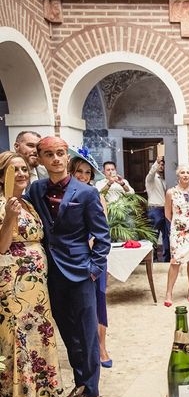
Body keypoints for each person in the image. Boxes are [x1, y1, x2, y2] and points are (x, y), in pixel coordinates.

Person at [24, 136, 111, 397]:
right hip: (50, 273)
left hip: (80, 271)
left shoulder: (85, 193)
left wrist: (93, 269)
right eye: (49, 154)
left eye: (61, 153)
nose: (57, 159)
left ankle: (92, 395)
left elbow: (102, 237)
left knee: (87, 335)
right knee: (68, 334)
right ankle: (81, 383)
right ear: (41, 158)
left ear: (66, 156)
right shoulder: (35, 190)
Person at [0, 151, 65, 397]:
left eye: (25, 169)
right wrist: (8, 219)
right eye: (15, 170)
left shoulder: (27, 203)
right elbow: (1, 246)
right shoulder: (4, 205)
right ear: (2, 176)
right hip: (12, 285)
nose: (22, 174)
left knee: (39, 338)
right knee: (16, 343)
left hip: (36, 290)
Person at [68, 153, 112, 369]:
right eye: (79, 171)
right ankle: (86, 348)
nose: (84, 176)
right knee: (79, 305)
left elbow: (102, 228)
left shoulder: (95, 194)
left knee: (99, 299)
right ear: (71, 171)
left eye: (88, 172)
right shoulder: (61, 194)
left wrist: (94, 247)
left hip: (93, 254)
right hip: (70, 257)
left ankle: (102, 346)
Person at [164, 165, 189, 307]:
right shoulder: (171, 192)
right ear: (178, 175)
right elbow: (167, 213)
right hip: (178, 231)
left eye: (188, 172)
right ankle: (168, 293)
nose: (185, 175)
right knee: (175, 261)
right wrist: (178, 224)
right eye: (183, 172)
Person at [145, 150, 170, 262]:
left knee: (167, 236)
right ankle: (152, 260)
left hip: (166, 209)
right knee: (153, 237)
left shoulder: (165, 180)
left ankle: (166, 259)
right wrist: (157, 161)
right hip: (155, 210)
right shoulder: (151, 179)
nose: (161, 166)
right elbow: (151, 173)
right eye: (160, 164)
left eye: (163, 164)